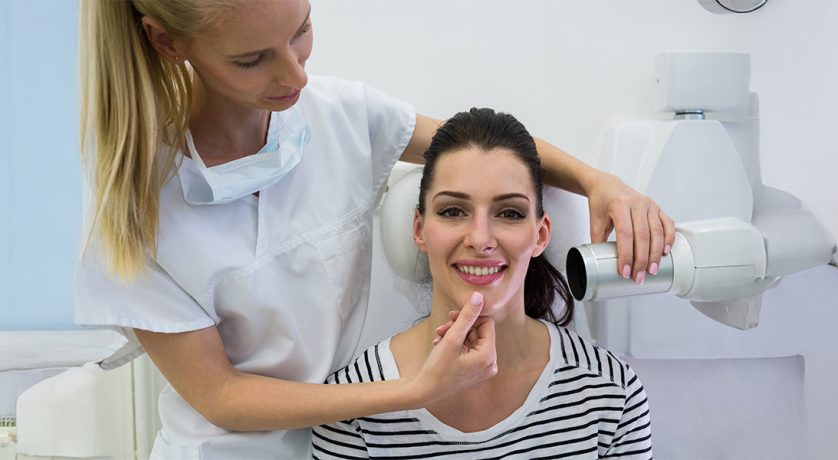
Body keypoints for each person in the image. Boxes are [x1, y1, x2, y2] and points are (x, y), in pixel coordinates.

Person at [75, 1, 668, 457]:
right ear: (165, 41)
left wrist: (600, 182)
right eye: (252, 59)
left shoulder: (340, 116)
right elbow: (221, 397)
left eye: (301, 31)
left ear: (540, 234)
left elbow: (484, 149)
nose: (296, 75)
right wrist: (414, 392)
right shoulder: (131, 212)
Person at [312, 108, 653, 459]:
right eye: (453, 211)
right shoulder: (351, 409)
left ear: (540, 235)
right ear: (419, 230)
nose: (480, 239)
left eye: (509, 213)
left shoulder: (611, 394)